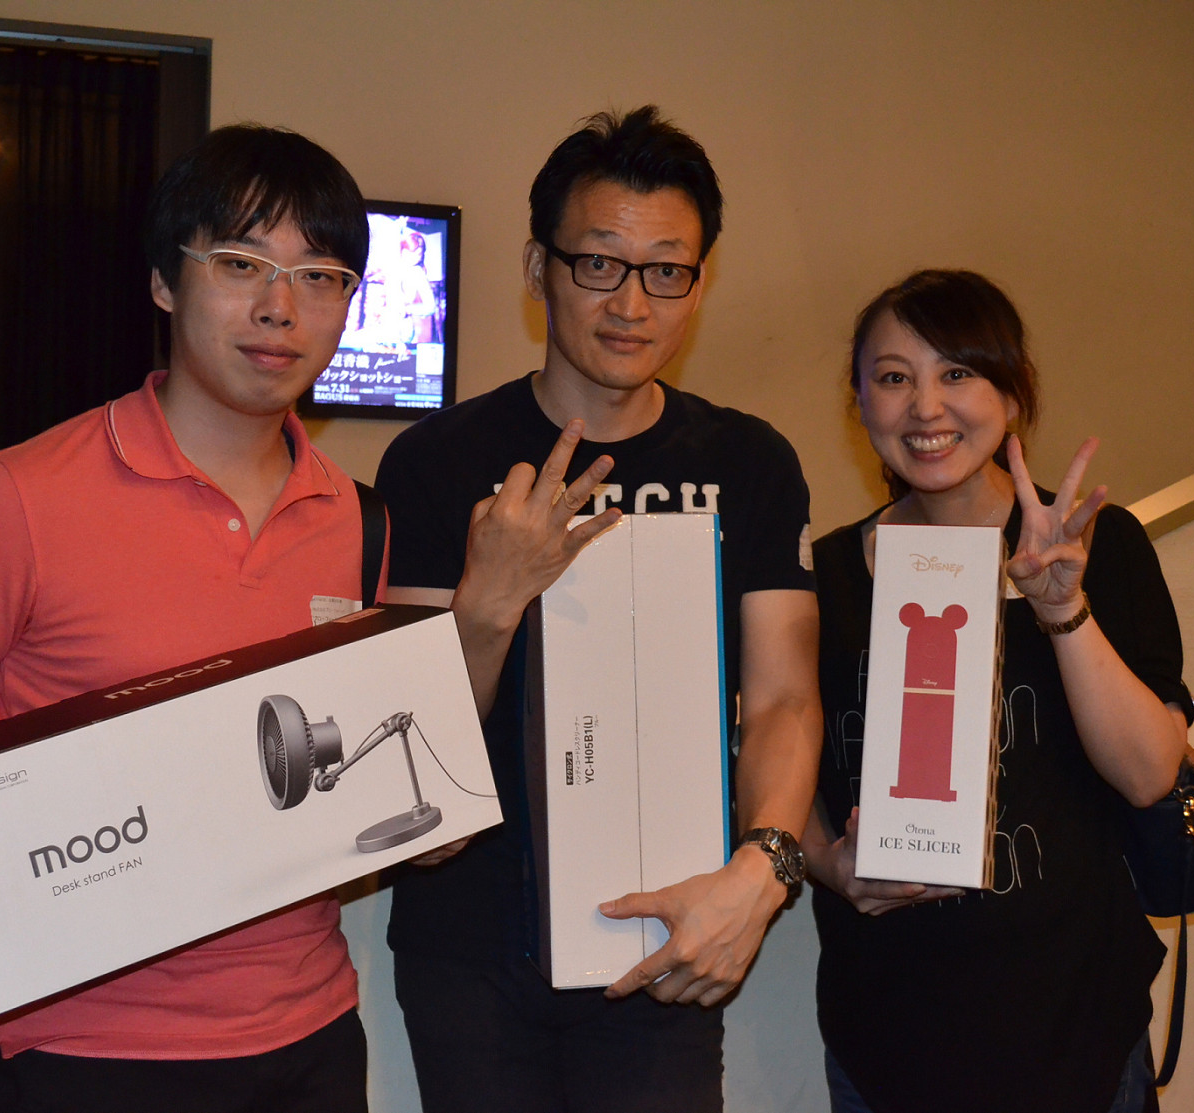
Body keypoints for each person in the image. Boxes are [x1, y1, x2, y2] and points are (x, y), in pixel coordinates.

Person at [0, 124, 377, 1112]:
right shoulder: (18, 499)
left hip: (313, 1038)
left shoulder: (355, 517)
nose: (280, 307)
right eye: (241, 263)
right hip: (77, 1050)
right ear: (164, 281)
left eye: (320, 276)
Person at [375, 105, 822, 1113]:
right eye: (599, 264)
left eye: (667, 271)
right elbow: (404, 732)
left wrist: (763, 873)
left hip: (666, 929)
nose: (632, 303)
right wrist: (492, 596)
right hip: (469, 942)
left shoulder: (747, 462)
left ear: (699, 283)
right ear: (539, 268)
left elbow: (785, 700)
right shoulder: (437, 460)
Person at [802, 269, 1190, 1113]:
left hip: (1077, 1026)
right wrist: (828, 864)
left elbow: (1149, 773)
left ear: (1012, 395)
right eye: (894, 376)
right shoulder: (820, 575)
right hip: (888, 1034)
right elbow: (777, 763)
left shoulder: (1101, 545)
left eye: (958, 372)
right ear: (860, 402)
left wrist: (1062, 609)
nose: (926, 406)